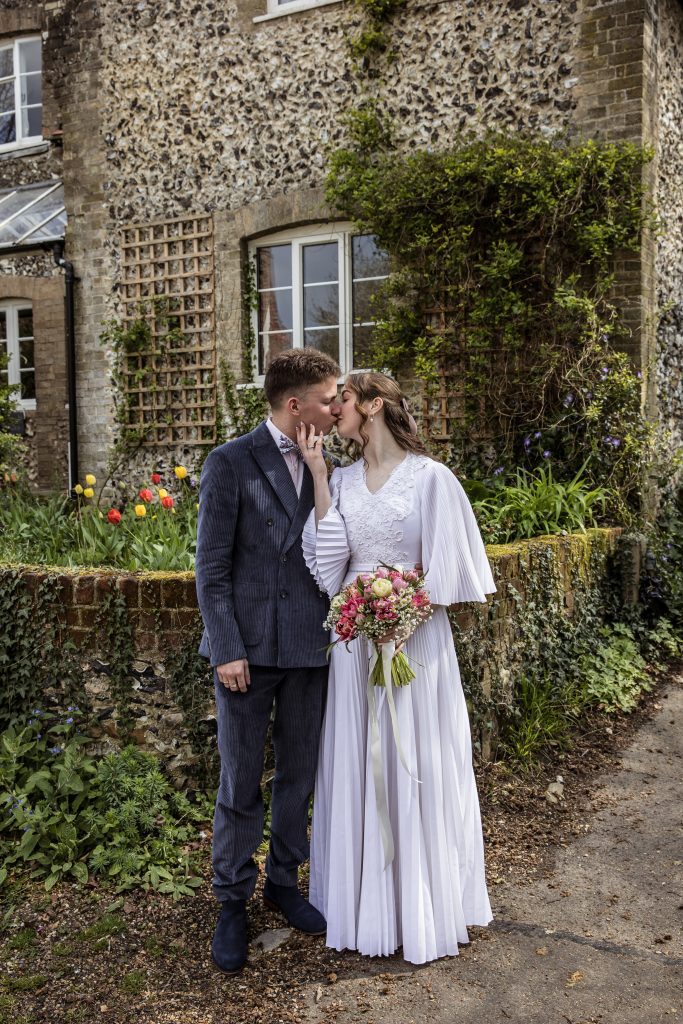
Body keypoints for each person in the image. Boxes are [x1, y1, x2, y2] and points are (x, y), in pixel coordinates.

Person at [299, 371, 495, 965]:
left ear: (374, 405)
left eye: (346, 401)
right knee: (360, 761)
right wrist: (317, 479)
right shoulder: (344, 479)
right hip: (356, 641)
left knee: (418, 760)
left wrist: (406, 614)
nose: (335, 411)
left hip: (415, 642)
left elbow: (446, 566)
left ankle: (421, 907)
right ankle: (365, 908)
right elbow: (328, 566)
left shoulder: (431, 479)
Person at [195, 348, 342, 975]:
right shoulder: (230, 462)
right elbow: (212, 568)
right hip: (246, 657)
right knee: (239, 781)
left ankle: (284, 883)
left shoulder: (326, 464)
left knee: (299, 778)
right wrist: (227, 647)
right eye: (329, 397)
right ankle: (233, 900)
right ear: (294, 404)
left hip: (311, 649)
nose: (337, 407)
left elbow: (334, 548)